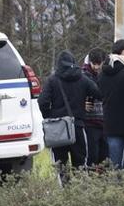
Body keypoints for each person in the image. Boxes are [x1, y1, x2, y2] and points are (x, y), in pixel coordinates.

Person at [38, 50, 100, 184]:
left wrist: (49, 116)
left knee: (60, 164)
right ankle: (79, 193)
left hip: (58, 128)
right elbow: (98, 92)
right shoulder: (83, 79)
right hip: (77, 125)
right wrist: (88, 102)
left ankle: (65, 192)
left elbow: (42, 102)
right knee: (80, 163)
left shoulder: (52, 80)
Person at [81, 47, 110, 167]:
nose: (97, 67)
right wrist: (82, 104)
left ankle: (103, 179)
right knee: (92, 154)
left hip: (106, 121)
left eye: (100, 64)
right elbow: (76, 95)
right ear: (90, 61)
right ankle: (92, 178)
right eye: (94, 64)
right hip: (90, 122)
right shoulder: (82, 76)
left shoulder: (107, 74)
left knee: (106, 155)